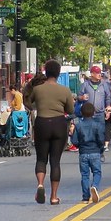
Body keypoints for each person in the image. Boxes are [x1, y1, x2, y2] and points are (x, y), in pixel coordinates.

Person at [24, 58, 75, 205]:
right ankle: (54, 196)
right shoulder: (64, 90)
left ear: (46, 72)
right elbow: (70, 110)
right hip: (59, 124)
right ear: (58, 73)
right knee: (55, 161)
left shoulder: (38, 89)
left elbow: (29, 103)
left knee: (41, 159)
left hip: (42, 124)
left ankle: (40, 184)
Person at [70, 102, 104, 203]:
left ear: (81, 112)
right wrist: (100, 149)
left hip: (83, 152)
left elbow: (75, 141)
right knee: (97, 172)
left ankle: (85, 197)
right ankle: (94, 186)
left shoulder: (78, 125)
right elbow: (101, 140)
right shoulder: (97, 125)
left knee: (84, 175)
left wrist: (79, 146)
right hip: (95, 151)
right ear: (93, 112)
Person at [79, 64, 111, 153]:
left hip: (100, 113)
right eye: (97, 73)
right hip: (88, 114)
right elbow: (79, 96)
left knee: (100, 132)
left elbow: (108, 97)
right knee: (88, 132)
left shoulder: (104, 85)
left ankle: (100, 150)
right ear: (92, 74)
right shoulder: (85, 85)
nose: (99, 75)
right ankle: (89, 149)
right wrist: (82, 97)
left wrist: (108, 108)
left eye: (100, 73)